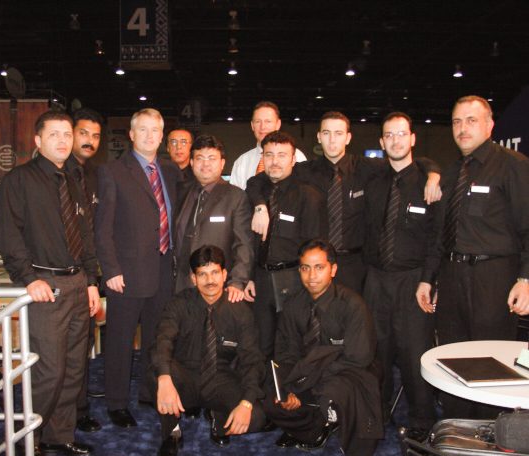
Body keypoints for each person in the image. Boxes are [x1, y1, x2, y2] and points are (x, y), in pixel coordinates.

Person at [0, 110, 100, 456]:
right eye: (54, 134)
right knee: (49, 370)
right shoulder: (18, 180)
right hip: (45, 286)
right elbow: (9, 235)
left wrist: (91, 281)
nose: (62, 140)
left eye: (67, 134)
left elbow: (86, 235)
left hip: (78, 283)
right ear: (38, 140)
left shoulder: (74, 178)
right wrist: (28, 278)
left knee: (73, 369)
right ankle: (30, 437)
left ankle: (60, 435)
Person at [248, 111, 441, 293]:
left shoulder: (366, 168)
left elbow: (410, 161)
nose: (332, 140)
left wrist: (433, 174)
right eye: (327, 133)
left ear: (348, 138)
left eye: (338, 133)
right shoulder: (305, 171)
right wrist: (259, 206)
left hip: (355, 266)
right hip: (318, 266)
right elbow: (259, 180)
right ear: (319, 137)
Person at [422, 95, 529, 418]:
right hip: (452, 278)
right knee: (452, 359)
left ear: (489, 125)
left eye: (471, 120)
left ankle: (490, 435)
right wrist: (429, 279)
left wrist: (526, 279)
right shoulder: (452, 172)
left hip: (493, 279)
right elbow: (440, 234)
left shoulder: (513, 165)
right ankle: (458, 431)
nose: (463, 128)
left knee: (490, 364)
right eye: (457, 121)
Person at [264, 239, 382, 456]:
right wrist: (289, 388)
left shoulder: (352, 305)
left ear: (333, 269)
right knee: (271, 397)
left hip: (348, 373)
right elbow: (285, 353)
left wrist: (309, 382)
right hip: (306, 373)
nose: (311, 276)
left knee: (337, 392)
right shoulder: (293, 305)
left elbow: (359, 357)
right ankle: (313, 431)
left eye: (319, 267)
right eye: (305, 268)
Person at [95, 108, 181, 427]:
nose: (148, 135)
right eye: (142, 129)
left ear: (162, 136)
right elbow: (102, 227)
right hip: (126, 274)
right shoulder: (112, 171)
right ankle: (117, 403)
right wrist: (110, 270)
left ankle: (149, 392)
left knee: (157, 338)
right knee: (120, 340)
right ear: (131, 135)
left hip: (164, 269)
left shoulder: (170, 171)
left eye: (154, 130)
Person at [150, 245, 266, 456]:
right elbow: (162, 341)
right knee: (159, 369)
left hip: (220, 378)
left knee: (257, 418)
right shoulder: (178, 304)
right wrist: (164, 379)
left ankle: (217, 416)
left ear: (224, 274)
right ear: (193, 279)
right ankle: (172, 433)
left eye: (214, 273)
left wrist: (246, 403)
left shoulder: (240, 311)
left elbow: (252, 360)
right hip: (185, 376)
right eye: (202, 274)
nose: (209, 280)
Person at [362, 112, 439, 438]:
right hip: (376, 279)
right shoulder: (372, 179)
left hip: (413, 281)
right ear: (381, 142)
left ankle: (422, 423)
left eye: (401, 134)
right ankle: (376, 417)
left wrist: (428, 279)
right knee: (376, 353)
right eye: (389, 135)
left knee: (414, 354)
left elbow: (437, 239)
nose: (395, 141)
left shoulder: (429, 183)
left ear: (412, 139)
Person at [245, 131, 326, 360]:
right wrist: (249, 276)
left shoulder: (308, 196)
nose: (275, 161)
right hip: (261, 279)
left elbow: (314, 246)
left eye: (282, 155)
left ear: (293, 159)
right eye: (269, 155)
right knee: (261, 345)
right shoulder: (256, 191)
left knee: (291, 346)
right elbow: (249, 241)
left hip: (293, 279)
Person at [174, 134, 254, 301]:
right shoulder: (180, 191)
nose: (205, 164)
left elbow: (244, 244)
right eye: (200, 158)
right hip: (181, 284)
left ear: (222, 163)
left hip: (217, 286)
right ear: (191, 162)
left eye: (212, 158)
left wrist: (237, 281)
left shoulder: (236, 197)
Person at [70, 107, 104, 433]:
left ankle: (79, 412)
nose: (89, 141)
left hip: (87, 275)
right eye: (83, 133)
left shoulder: (94, 175)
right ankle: (57, 422)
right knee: (59, 357)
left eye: (95, 136)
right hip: (59, 276)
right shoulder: (56, 174)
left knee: (81, 351)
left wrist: (92, 278)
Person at [229, 101, 306, 190]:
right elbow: (234, 197)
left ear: (278, 124)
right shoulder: (242, 162)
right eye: (258, 121)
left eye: (268, 121)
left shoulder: (297, 157)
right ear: (252, 125)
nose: (262, 127)